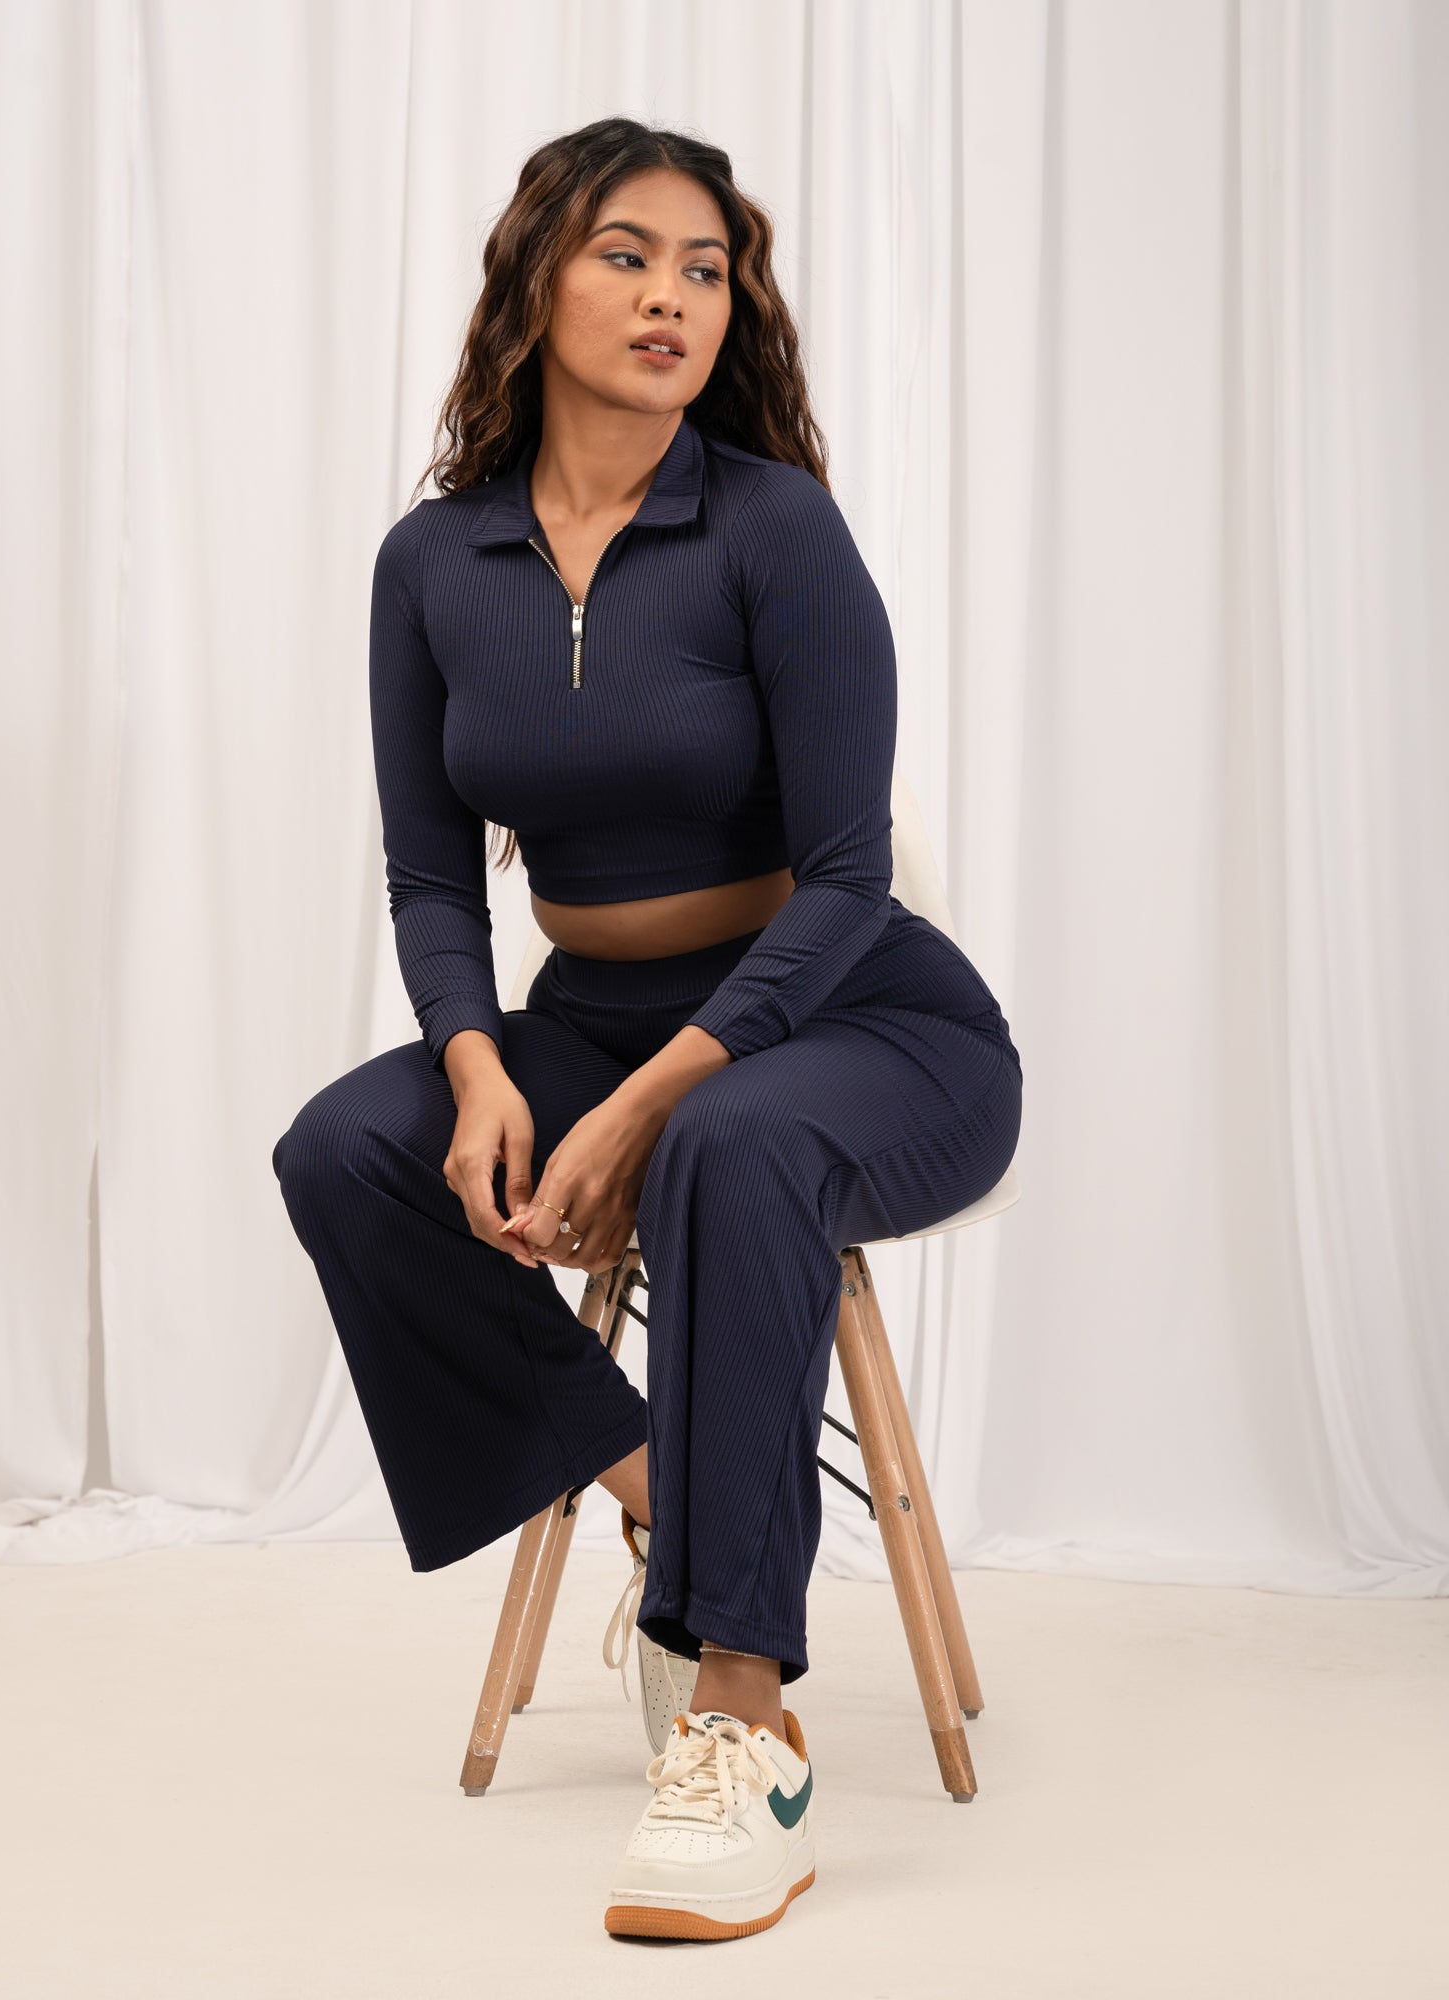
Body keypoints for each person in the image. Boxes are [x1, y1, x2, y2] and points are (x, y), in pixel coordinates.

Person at [271, 115, 1023, 1943]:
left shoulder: (770, 527)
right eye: (626, 255)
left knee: (732, 1140)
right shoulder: (434, 562)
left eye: (706, 268)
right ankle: (671, 1496)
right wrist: (476, 1068)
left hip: (860, 1019)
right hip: (592, 1016)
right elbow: (431, 876)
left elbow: (846, 881)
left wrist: (647, 1106)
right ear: (534, 279)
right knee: (348, 1150)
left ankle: (744, 1724)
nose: (672, 295)